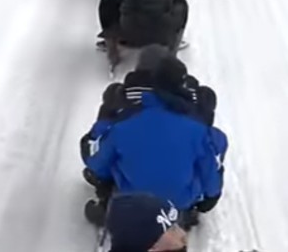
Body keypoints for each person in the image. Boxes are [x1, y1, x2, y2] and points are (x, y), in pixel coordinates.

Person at [80, 67, 227, 236]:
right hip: (179, 201)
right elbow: (210, 175)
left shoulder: (126, 122)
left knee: (109, 157)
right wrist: (210, 198)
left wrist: (102, 122)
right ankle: (180, 215)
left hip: (131, 200)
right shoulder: (199, 130)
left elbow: (96, 162)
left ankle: (108, 206)